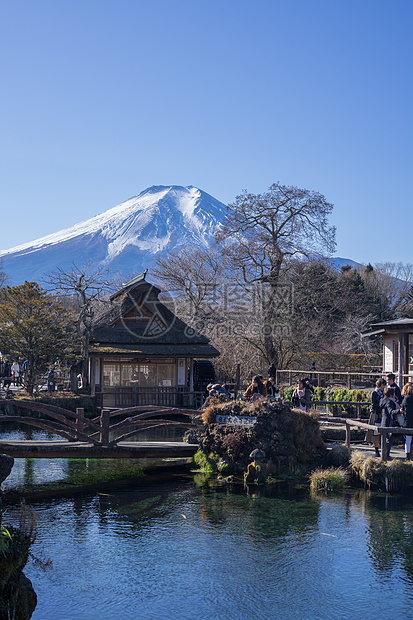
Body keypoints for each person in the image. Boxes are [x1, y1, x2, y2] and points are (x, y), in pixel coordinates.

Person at [368, 378, 387, 456]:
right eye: (383, 385)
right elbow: (374, 404)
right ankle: (376, 450)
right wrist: (381, 404)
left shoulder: (384, 393)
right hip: (375, 413)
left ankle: (382, 449)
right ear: (380, 385)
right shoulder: (374, 393)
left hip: (382, 413)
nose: (384, 387)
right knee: (375, 432)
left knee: (382, 432)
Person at [379, 386, 399, 459]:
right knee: (388, 440)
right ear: (391, 394)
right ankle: (386, 456)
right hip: (388, 422)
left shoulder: (382, 400)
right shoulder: (389, 401)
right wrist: (399, 411)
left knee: (385, 439)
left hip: (383, 421)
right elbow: (391, 411)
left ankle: (384, 455)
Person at [400, 383, 413, 460]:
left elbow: (402, 409)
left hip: (407, 421)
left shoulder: (405, 399)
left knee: (408, 440)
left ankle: (407, 456)